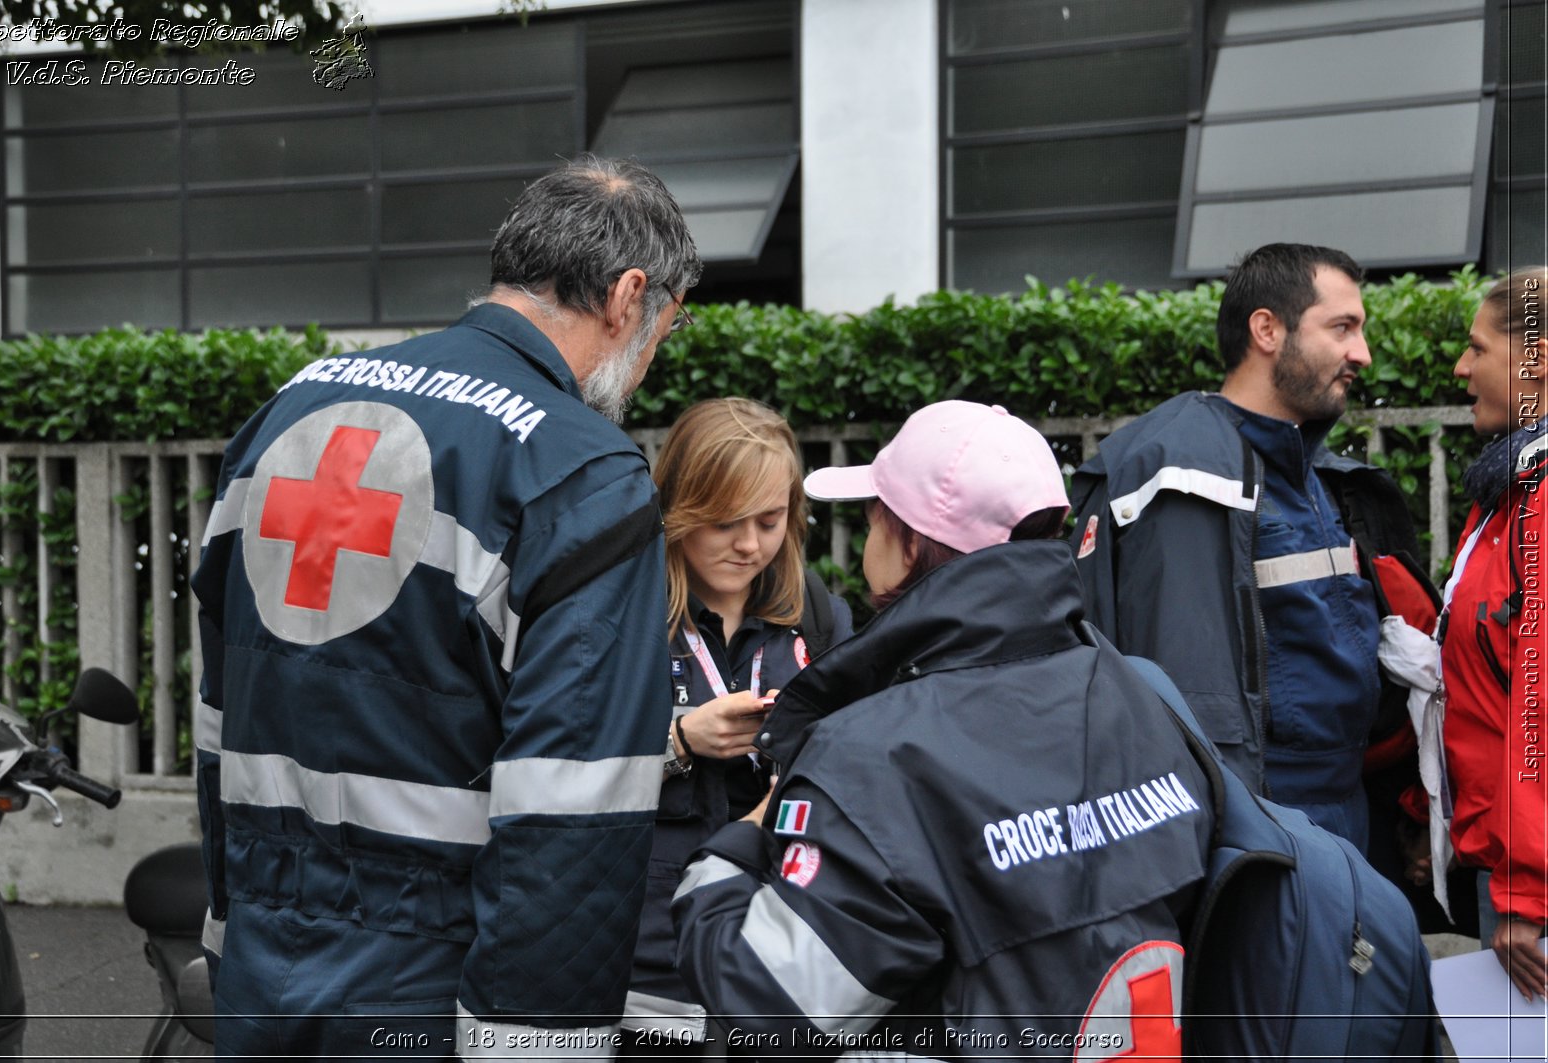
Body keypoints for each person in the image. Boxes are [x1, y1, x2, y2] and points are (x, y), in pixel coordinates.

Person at [191, 155, 701, 1059]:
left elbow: (219, 709)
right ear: (628, 296)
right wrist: (538, 1043)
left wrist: (232, 923)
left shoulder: (287, 411)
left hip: (260, 963)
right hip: (430, 977)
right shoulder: (580, 473)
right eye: (669, 318)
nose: (658, 347)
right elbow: (574, 808)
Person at [671, 401, 1213, 1056]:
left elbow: (766, 1005)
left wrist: (737, 847)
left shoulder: (877, 754)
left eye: (873, 515)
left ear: (905, 544)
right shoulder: (1139, 695)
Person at [1069, 242, 1418, 856]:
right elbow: (1180, 699)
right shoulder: (1181, 472)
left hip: (1346, 816)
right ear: (1267, 329)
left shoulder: (1316, 472)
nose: (1362, 354)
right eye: (1342, 327)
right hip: (1259, 827)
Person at [621, 397, 852, 1052]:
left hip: (775, 953)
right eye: (724, 523)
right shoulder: (625, 612)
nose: (750, 544)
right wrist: (679, 741)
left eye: (770, 520)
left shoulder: (818, 617)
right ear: (679, 509)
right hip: (647, 975)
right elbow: (559, 765)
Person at [1442, 265, 1548, 1000]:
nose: (1461, 366)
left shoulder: (1537, 501)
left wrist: (1524, 891)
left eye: (1478, 347)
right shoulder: (1504, 491)